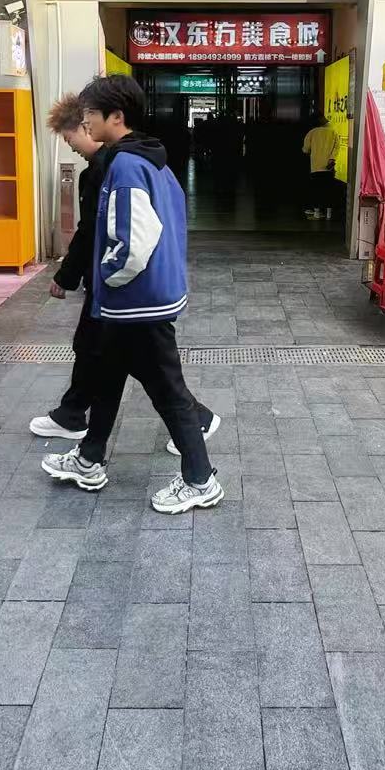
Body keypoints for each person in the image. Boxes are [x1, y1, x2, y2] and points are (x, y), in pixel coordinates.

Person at [42, 75, 223, 514]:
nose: (85, 122)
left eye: (90, 114)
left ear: (116, 117)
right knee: (108, 376)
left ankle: (200, 480)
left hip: (136, 302)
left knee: (168, 392)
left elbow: (131, 244)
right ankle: (89, 458)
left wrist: (108, 279)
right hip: (144, 299)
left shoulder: (124, 165)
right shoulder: (152, 158)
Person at [29, 93, 109, 441]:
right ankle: (72, 413)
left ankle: (195, 418)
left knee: (146, 361)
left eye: (69, 137)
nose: (70, 146)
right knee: (94, 346)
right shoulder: (105, 167)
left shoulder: (104, 170)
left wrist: (66, 276)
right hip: (109, 279)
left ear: (87, 126)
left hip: (111, 280)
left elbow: (89, 230)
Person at [302, 113, 340, 220]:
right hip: (329, 167)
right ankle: (328, 215)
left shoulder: (312, 132)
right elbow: (337, 148)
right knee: (328, 191)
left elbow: (305, 149)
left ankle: (317, 214)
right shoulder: (333, 132)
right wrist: (331, 159)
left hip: (316, 166)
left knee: (316, 190)